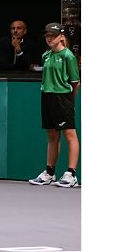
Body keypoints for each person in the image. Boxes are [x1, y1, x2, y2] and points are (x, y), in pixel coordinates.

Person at [28, 24, 81, 188]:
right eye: (47, 35)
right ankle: (49, 173)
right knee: (52, 135)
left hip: (62, 97)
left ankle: (71, 174)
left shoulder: (68, 56)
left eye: (53, 35)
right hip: (47, 96)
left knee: (69, 134)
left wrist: (69, 101)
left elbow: (75, 82)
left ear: (61, 37)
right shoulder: (46, 55)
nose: (49, 38)